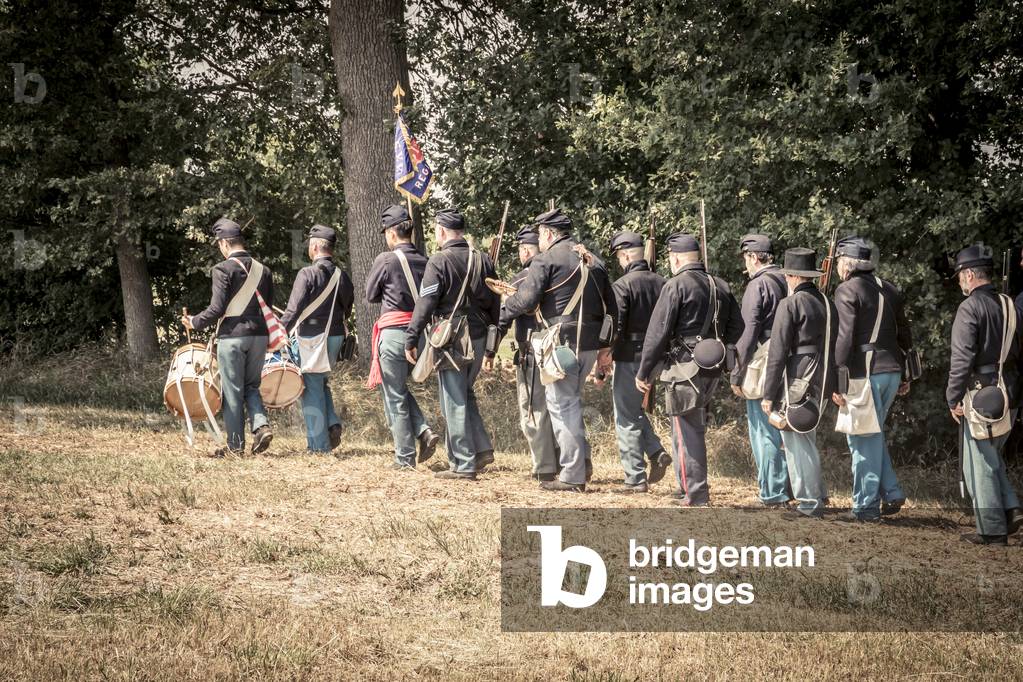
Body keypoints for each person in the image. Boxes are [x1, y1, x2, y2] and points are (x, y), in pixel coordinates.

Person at [500, 208, 616, 493]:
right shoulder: (595, 261)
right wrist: (605, 348)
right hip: (588, 345)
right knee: (571, 404)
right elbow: (611, 310)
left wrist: (506, 303)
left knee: (562, 408)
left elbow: (527, 301)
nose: (539, 240)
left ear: (549, 234)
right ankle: (580, 465)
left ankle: (573, 475)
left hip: (560, 344)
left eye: (540, 234)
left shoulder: (546, 259)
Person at [636, 233, 743, 506]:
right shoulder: (721, 285)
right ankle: (686, 485)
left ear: (675, 258)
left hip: (684, 368)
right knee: (686, 429)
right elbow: (737, 328)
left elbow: (657, 333)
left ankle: (695, 492)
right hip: (711, 368)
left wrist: (644, 371)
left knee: (687, 431)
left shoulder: (676, 286)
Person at [405, 208, 500, 480]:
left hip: (453, 338)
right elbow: (496, 304)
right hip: (481, 334)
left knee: (454, 399)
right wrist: (494, 343)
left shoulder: (439, 261)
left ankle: (462, 463)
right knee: (465, 394)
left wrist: (411, 338)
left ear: (443, 231)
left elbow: (425, 304)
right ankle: (480, 449)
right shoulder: (483, 260)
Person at [830, 236, 911, 522]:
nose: (838, 267)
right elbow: (905, 334)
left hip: (865, 373)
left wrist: (837, 381)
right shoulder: (889, 288)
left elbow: (844, 339)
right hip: (892, 371)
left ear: (848, 264)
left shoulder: (846, 290)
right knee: (872, 434)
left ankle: (864, 508)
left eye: (840, 262)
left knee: (862, 440)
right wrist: (906, 373)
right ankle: (891, 491)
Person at [947, 244, 1023, 545]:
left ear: (968, 275)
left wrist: (952, 396)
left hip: (981, 393)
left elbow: (962, 358)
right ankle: (1010, 508)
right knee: (990, 458)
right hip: (1010, 390)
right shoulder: (1008, 303)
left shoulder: (969, 308)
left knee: (981, 462)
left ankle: (992, 530)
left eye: (960, 276)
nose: (959, 282)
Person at [182, 217, 274, 457]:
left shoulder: (222, 269)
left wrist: (193, 321)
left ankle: (235, 447)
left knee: (232, 391)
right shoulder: (264, 270)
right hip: (259, 336)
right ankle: (261, 426)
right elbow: (268, 307)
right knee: (251, 386)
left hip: (233, 337)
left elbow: (216, 310)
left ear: (224, 244)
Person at [761, 247, 838, 520]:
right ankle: (817, 494)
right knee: (806, 437)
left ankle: (809, 501)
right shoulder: (828, 303)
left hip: (797, 378)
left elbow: (777, 352)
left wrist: (768, 393)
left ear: (792, 276)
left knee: (796, 439)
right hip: (823, 378)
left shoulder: (790, 304)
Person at [365, 204, 440, 469]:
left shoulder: (385, 260)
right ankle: (423, 431)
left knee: (394, 394)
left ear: (391, 233)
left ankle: (405, 457)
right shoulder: (427, 260)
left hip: (395, 334)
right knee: (398, 389)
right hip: (421, 336)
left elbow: (371, 294)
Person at [279, 224, 354, 454]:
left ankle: (318, 446)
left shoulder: (307, 273)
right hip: (335, 338)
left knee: (309, 388)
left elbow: (293, 310)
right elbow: (348, 308)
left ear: (314, 247)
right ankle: (332, 425)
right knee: (320, 383)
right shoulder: (342, 276)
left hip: (311, 339)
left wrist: (279, 331)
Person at [730, 233, 790, 508]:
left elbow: (748, 330)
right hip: (790, 358)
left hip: (764, 358)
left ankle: (772, 491)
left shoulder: (758, 285)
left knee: (762, 427)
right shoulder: (788, 279)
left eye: (746, 258)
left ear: (754, 257)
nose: (746, 264)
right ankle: (789, 486)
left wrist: (736, 370)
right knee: (784, 426)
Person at [608, 230, 669, 494]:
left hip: (630, 355)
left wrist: (606, 353)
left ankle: (634, 477)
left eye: (619, 258)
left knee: (626, 417)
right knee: (634, 409)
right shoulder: (665, 283)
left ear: (625, 255)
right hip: (659, 357)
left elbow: (617, 325)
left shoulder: (622, 285)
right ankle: (656, 451)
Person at [500, 226, 559, 481]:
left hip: (532, 352)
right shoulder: (559, 273)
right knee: (560, 408)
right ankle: (573, 460)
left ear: (525, 250)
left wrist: (492, 347)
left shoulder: (521, 279)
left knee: (533, 409)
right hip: (558, 351)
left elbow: (504, 314)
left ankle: (544, 467)